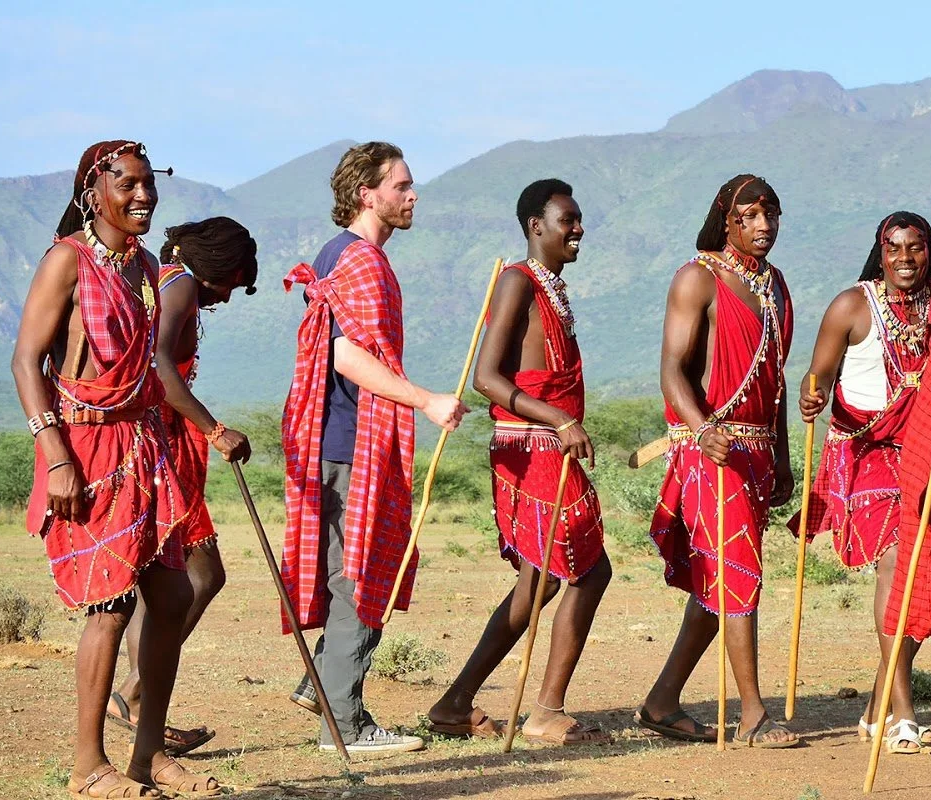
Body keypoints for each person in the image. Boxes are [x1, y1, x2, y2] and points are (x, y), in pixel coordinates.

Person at [12, 140, 218, 797]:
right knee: (109, 605)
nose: (143, 196)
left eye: (149, 185)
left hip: (142, 447)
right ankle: (86, 767)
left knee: (175, 593)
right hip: (85, 449)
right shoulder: (64, 264)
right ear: (91, 193)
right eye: (127, 185)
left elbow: (151, 368)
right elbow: (25, 362)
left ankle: (146, 756)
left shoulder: (147, 267)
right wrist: (55, 455)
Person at [282, 141, 465, 753]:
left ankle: (324, 684)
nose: (413, 195)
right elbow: (345, 355)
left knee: (368, 569)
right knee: (359, 578)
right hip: (348, 441)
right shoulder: (357, 261)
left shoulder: (350, 257)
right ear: (368, 193)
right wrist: (425, 400)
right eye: (402, 185)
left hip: (353, 439)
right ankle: (347, 723)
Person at [428, 179, 613, 746]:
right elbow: (487, 378)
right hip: (529, 447)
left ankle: (456, 702)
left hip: (544, 446)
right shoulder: (517, 281)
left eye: (579, 219)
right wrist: (557, 419)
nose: (578, 229)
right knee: (582, 571)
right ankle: (545, 710)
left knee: (543, 582)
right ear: (537, 225)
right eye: (568, 219)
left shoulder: (551, 288)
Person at [637, 174, 800, 748]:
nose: (763, 226)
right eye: (750, 215)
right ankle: (754, 712)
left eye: (771, 214)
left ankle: (661, 701)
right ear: (726, 220)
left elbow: (774, 381)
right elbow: (673, 370)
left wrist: (781, 458)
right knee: (736, 578)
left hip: (756, 451)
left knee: (718, 585)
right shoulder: (697, 279)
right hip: (710, 448)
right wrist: (704, 429)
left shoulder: (777, 285)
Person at [793, 211, 931, 754]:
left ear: (930, 252)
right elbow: (818, 375)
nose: (905, 258)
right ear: (880, 254)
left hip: (926, 448)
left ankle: (881, 697)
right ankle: (904, 712)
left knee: (925, 571)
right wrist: (813, 394)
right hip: (865, 449)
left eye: (916, 247)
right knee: (895, 560)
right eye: (894, 248)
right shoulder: (851, 306)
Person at [106, 217, 259, 758]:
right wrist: (216, 430)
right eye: (232, 282)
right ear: (219, 267)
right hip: (162, 442)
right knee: (200, 574)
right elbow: (158, 367)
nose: (227, 295)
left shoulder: (167, 280)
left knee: (165, 580)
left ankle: (141, 704)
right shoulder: (181, 286)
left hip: (163, 438)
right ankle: (133, 693)